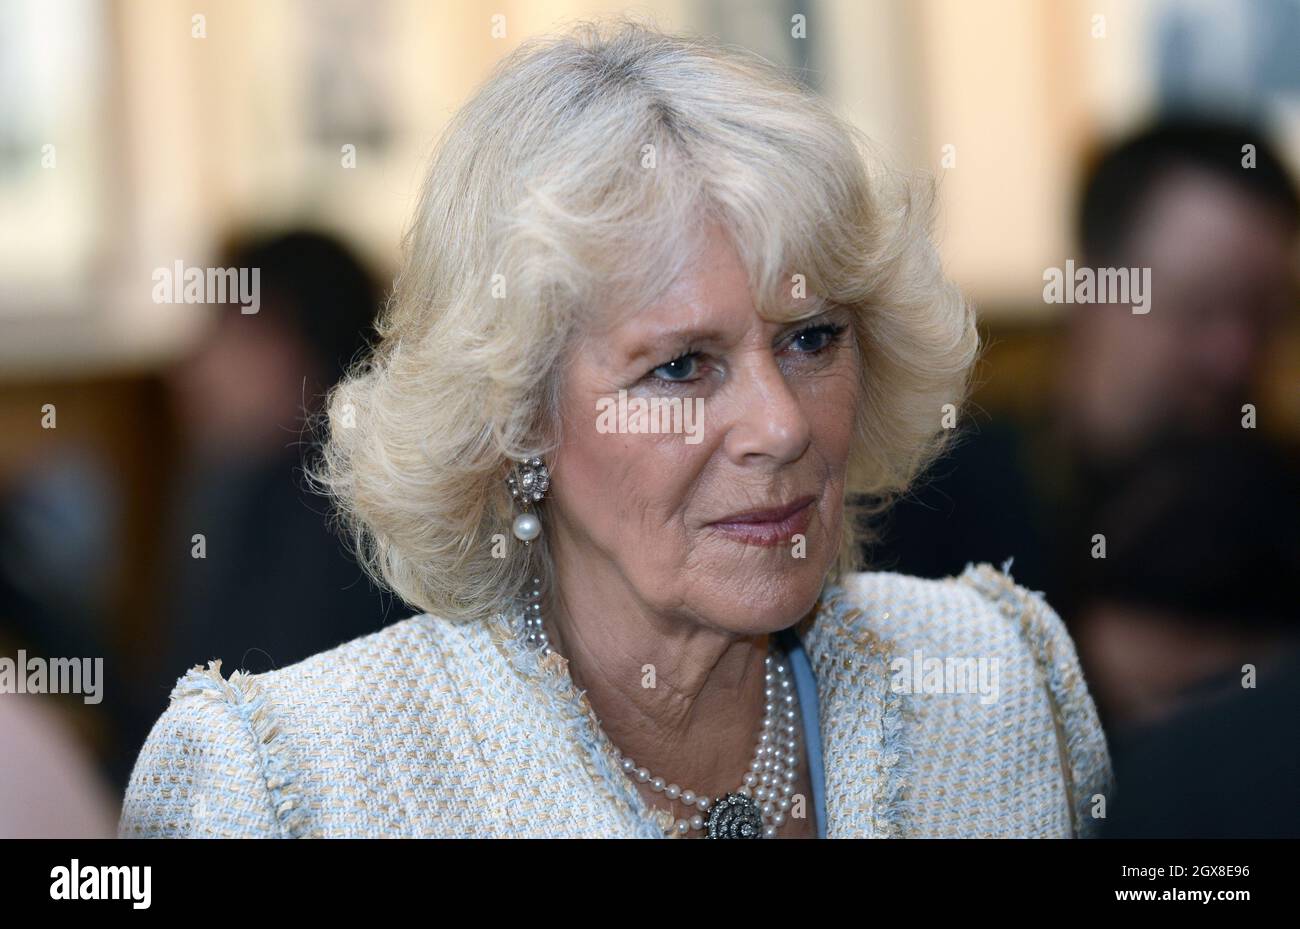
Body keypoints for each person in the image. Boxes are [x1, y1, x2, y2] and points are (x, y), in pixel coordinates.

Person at [117, 20, 1110, 839]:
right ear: (516, 418)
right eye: (679, 366)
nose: (779, 424)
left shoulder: (995, 677)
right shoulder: (284, 783)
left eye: (811, 338)